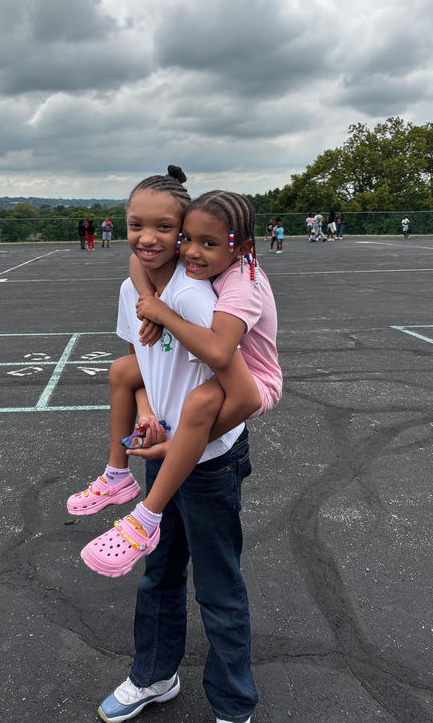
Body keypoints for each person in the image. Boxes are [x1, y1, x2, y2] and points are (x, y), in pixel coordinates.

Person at [70, 168, 266, 723]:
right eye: (136, 225)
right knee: (158, 574)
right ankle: (153, 677)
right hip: (164, 455)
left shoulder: (194, 297)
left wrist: (184, 436)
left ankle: (233, 705)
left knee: (217, 586)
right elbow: (145, 370)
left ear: (184, 234)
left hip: (209, 463)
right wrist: (151, 418)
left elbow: (243, 392)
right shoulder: (136, 286)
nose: (147, 238)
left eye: (164, 228)